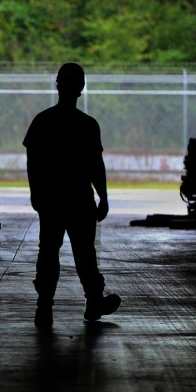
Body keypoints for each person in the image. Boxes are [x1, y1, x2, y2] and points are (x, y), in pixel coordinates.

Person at [23, 62, 121, 327]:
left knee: (48, 252)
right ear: (82, 89)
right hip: (79, 199)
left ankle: (44, 306)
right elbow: (95, 166)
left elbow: (33, 162)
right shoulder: (87, 125)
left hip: (52, 199)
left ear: (57, 85)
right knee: (85, 253)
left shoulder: (42, 121)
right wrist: (103, 196)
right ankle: (93, 301)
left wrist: (36, 193)